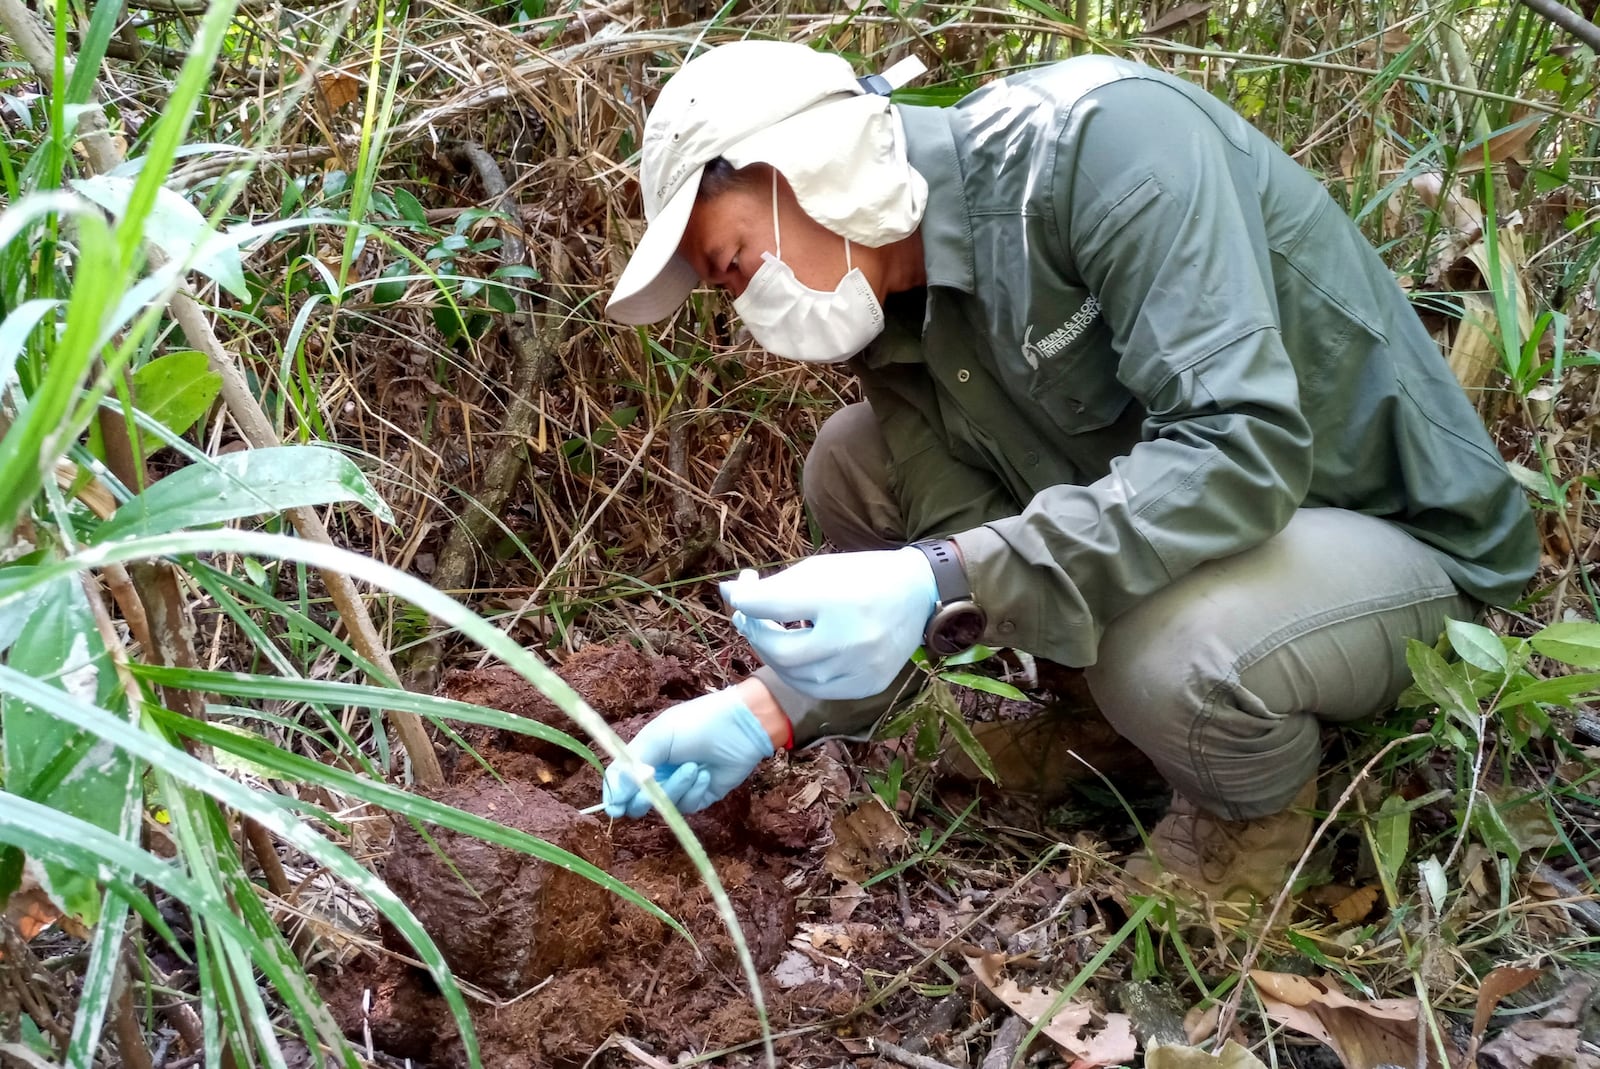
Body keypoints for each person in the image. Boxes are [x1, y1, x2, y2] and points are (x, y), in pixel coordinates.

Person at [597, 41, 1538, 902]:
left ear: (814, 163)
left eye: (736, 262)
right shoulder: (890, 310)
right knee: (852, 463)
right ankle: (1107, 727)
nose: (749, 305)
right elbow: (953, 539)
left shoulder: (1104, 145)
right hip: (1212, 533)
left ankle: (1250, 822)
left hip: (1383, 539)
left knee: (1172, 651)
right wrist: (769, 709)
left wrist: (941, 575)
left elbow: (1241, 453)